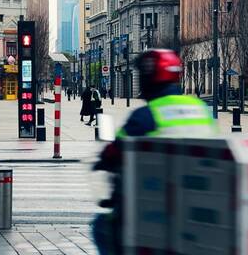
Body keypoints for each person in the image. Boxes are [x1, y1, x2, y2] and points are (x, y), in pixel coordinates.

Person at [91, 49, 216, 255]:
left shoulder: (145, 115)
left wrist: (104, 159)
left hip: (156, 201)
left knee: (102, 226)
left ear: (149, 78)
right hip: (199, 202)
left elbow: (114, 152)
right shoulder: (201, 108)